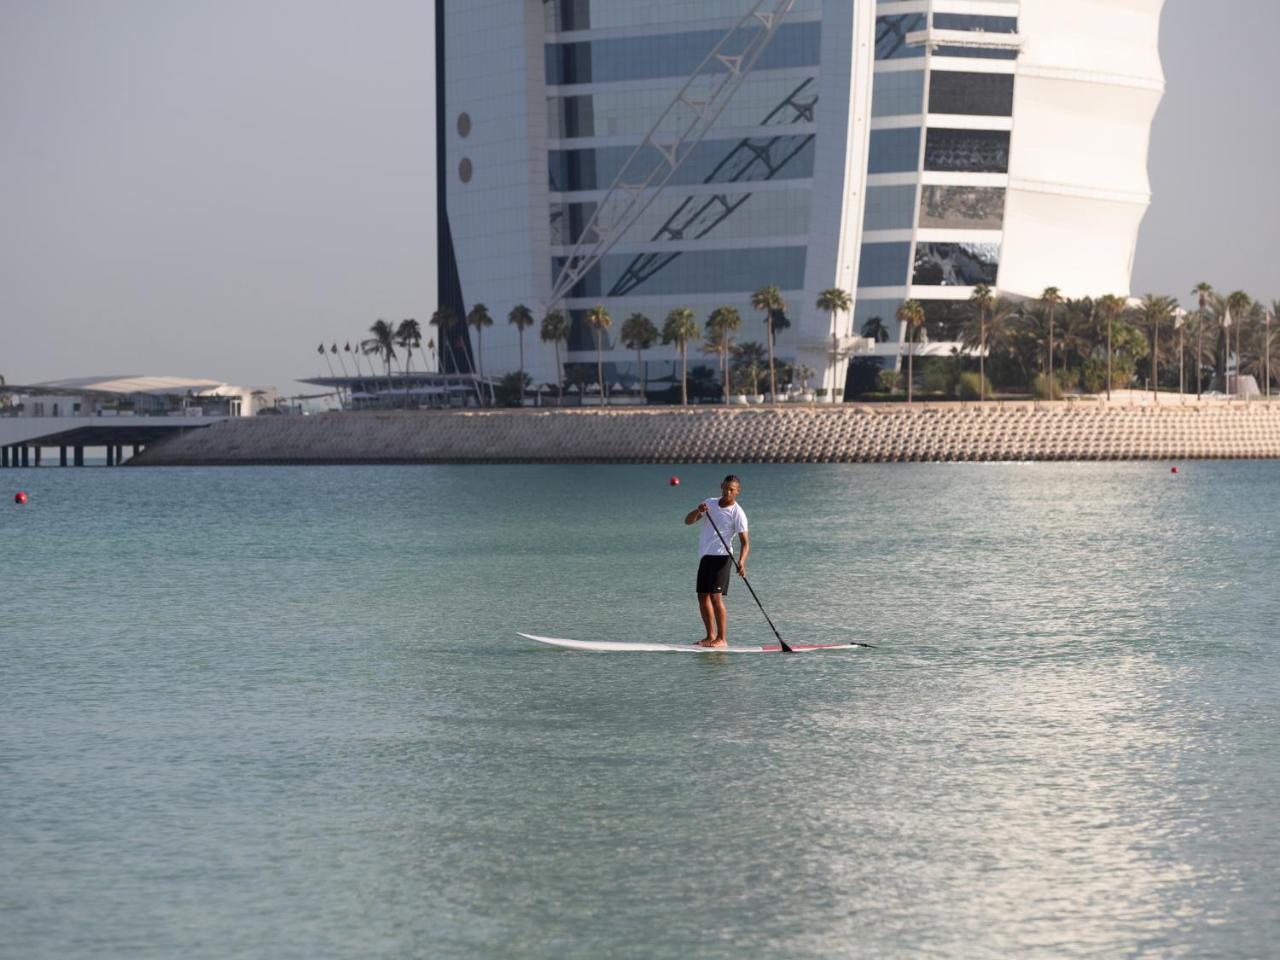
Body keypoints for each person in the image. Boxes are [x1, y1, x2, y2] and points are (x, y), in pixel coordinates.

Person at [683, 475, 749, 648]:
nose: (727, 492)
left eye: (731, 490)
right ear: (721, 486)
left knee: (715, 597)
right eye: (725, 488)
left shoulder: (738, 513)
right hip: (706, 556)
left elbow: (745, 543)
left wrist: (742, 562)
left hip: (723, 558)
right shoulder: (709, 503)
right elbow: (688, 521)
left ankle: (722, 638)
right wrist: (698, 511)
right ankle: (709, 636)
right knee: (702, 597)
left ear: (737, 492)